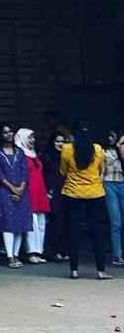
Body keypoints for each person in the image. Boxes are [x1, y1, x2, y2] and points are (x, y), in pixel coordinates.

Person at [60, 119, 110, 280]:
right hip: (95, 193)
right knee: (97, 232)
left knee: (73, 231)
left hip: (72, 193)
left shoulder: (67, 148)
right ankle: (101, 271)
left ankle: (74, 270)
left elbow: (63, 171)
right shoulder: (98, 149)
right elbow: (101, 170)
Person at [0, 122, 31, 267]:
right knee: (8, 223)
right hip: (4, 191)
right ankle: (10, 257)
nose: (9, 134)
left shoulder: (20, 152)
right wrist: (12, 188)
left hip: (22, 190)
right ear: (0, 135)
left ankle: (16, 254)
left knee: (20, 224)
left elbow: (25, 171)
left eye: (10, 131)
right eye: (5, 132)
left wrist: (21, 187)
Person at [15, 128, 51, 263]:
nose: (33, 140)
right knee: (32, 223)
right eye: (30, 137)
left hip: (40, 192)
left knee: (41, 223)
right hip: (28, 192)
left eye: (33, 137)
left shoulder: (34, 153)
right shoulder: (19, 154)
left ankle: (39, 251)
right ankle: (31, 252)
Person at [42, 132, 68, 262]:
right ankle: (54, 252)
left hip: (65, 191)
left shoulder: (66, 156)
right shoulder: (47, 157)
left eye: (63, 141)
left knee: (63, 222)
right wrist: (47, 192)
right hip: (52, 192)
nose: (60, 144)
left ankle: (62, 250)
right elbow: (44, 176)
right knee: (54, 222)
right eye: (58, 141)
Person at [104, 133, 124, 267]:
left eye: (113, 136)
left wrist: (120, 146)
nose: (110, 138)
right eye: (109, 136)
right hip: (109, 183)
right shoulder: (102, 150)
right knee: (116, 221)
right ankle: (118, 255)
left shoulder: (121, 149)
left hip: (122, 183)